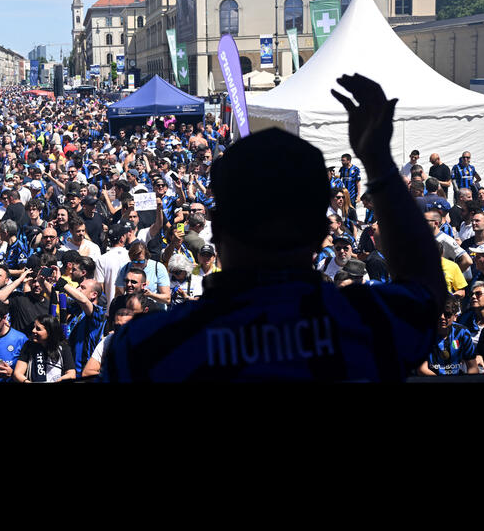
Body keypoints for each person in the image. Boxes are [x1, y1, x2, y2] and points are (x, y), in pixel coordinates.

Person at [102, 73, 445, 381]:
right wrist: (378, 162)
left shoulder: (146, 348)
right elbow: (426, 292)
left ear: (218, 231)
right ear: (320, 232)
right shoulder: (367, 324)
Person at [418, 296, 479, 376]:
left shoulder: (463, 333)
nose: (442, 317)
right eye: (438, 313)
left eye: (447, 314)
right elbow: (421, 368)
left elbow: (473, 367)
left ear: (455, 317)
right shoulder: (424, 334)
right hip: (431, 379)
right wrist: (441, 381)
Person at [13, 315, 76, 383]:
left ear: (49, 332)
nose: (33, 330)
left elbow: (71, 374)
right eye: (34, 327)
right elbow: (17, 373)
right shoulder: (29, 345)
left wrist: (60, 380)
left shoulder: (63, 348)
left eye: (38, 329)